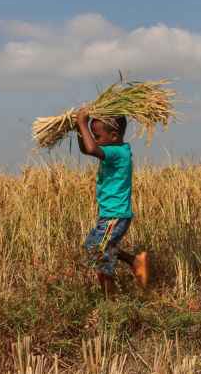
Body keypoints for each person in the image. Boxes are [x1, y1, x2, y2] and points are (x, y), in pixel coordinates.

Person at [76, 108, 149, 297]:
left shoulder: (117, 152)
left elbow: (91, 148)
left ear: (114, 135)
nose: (94, 138)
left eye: (97, 135)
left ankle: (111, 302)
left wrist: (83, 123)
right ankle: (134, 261)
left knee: (100, 255)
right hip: (110, 215)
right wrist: (78, 128)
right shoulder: (115, 148)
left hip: (114, 216)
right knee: (93, 248)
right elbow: (87, 148)